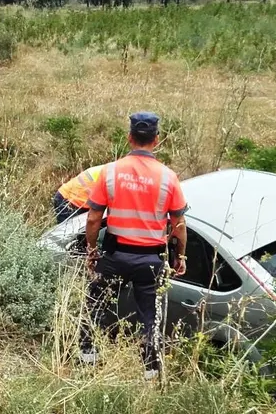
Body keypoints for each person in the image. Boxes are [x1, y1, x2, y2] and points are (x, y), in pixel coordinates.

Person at [80, 111, 188, 380]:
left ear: (129, 137)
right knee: (150, 316)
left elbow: (94, 218)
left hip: (115, 255)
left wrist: (92, 250)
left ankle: (87, 360)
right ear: (157, 140)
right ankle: (150, 371)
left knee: (96, 305)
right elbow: (179, 225)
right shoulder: (168, 177)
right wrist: (181, 256)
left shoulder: (110, 171)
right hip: (150, 261)